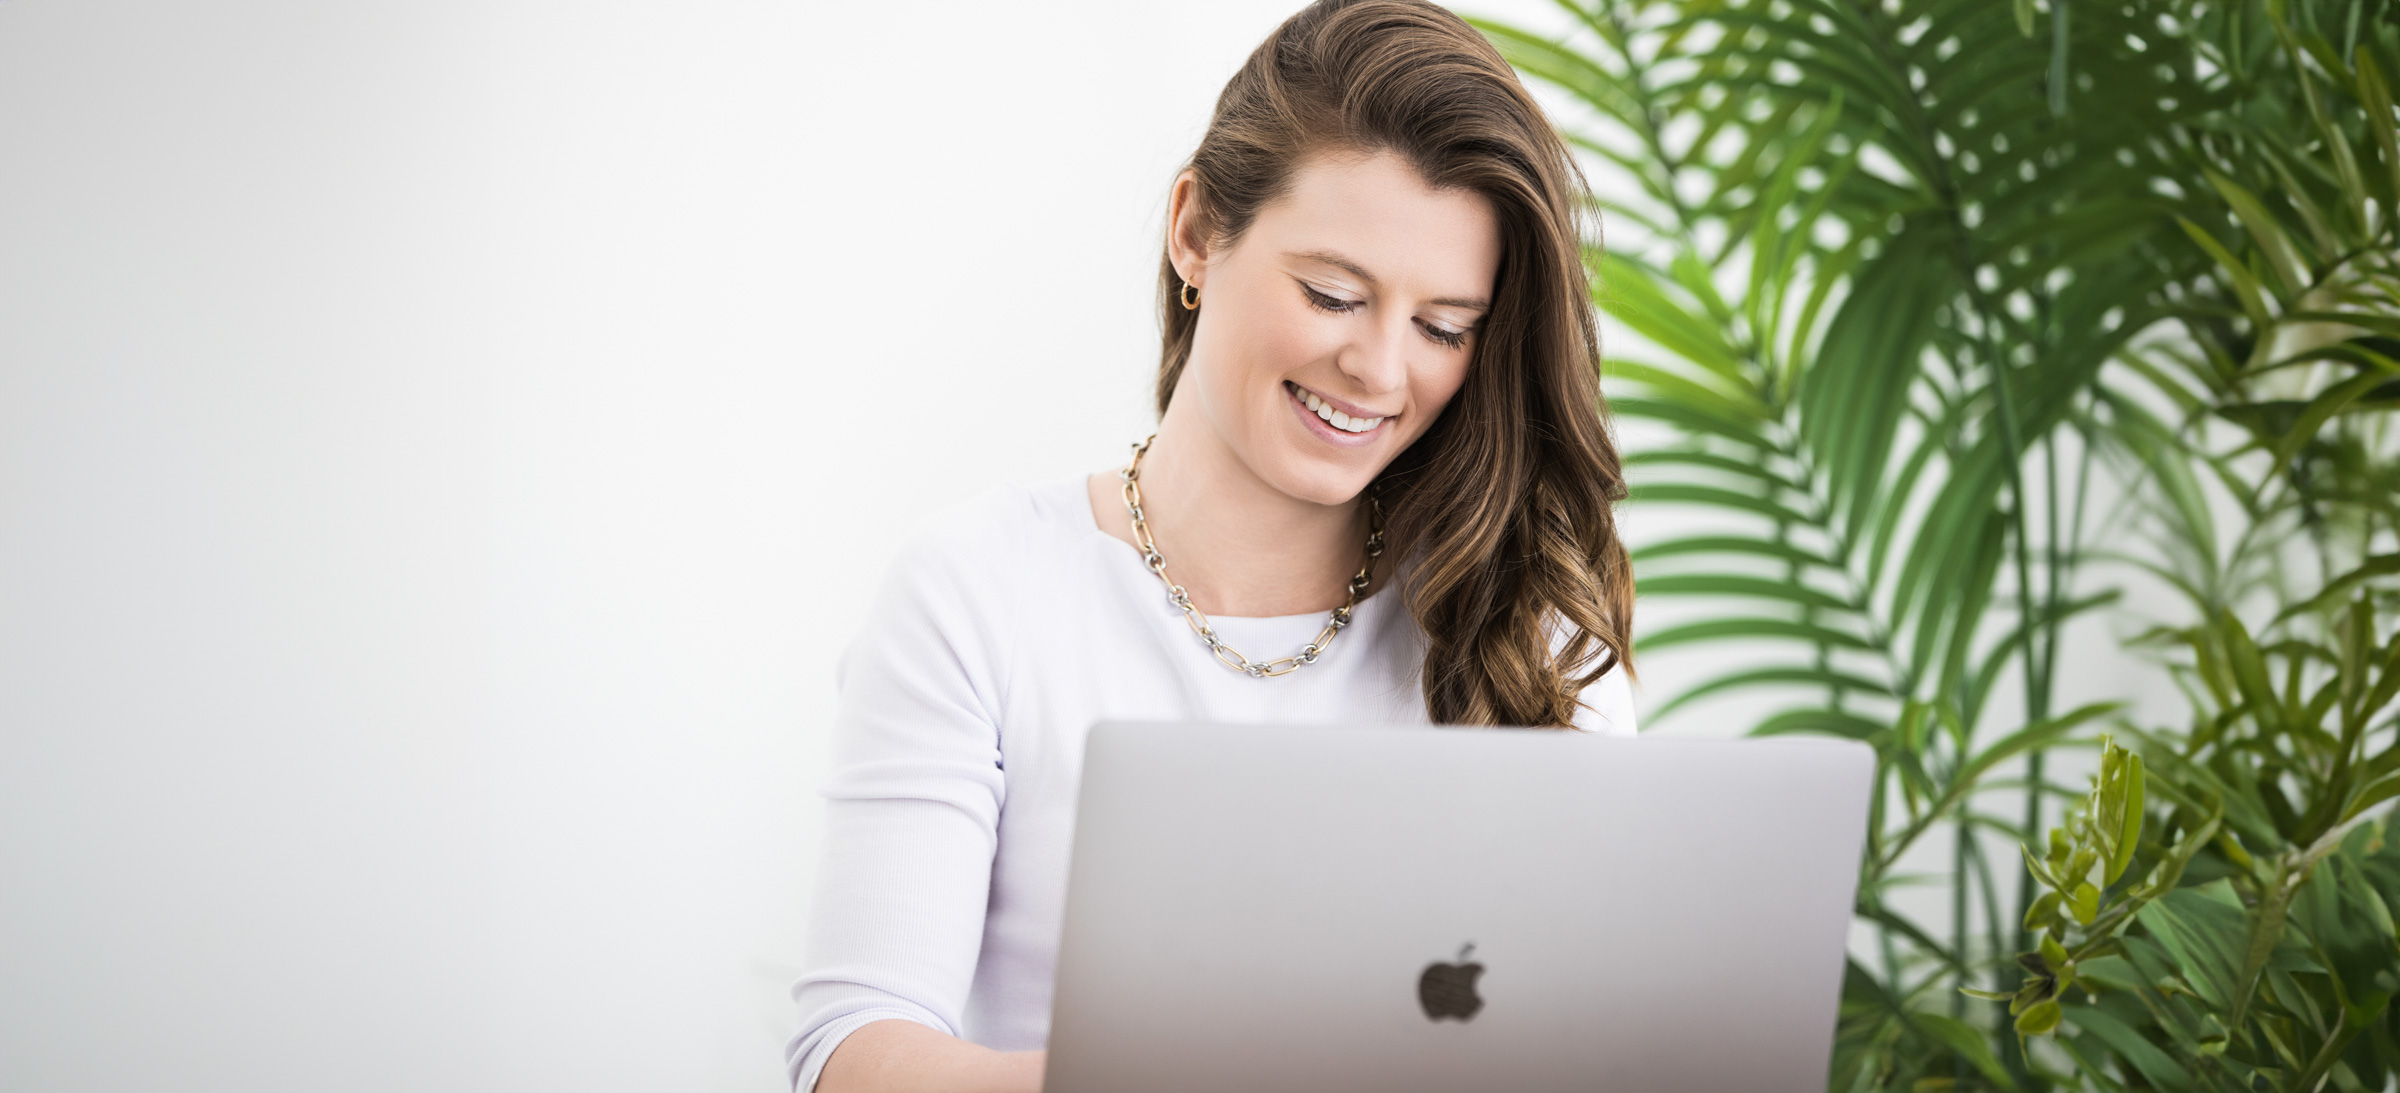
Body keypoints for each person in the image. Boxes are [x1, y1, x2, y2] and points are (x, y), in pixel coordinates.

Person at [786, 2, 1636, 1089]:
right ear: (1195, 230)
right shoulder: (979, 593)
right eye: (1333, 294)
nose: (1380, 369)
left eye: (1443, 326)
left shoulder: (1525, 617)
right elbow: (853, 1049)